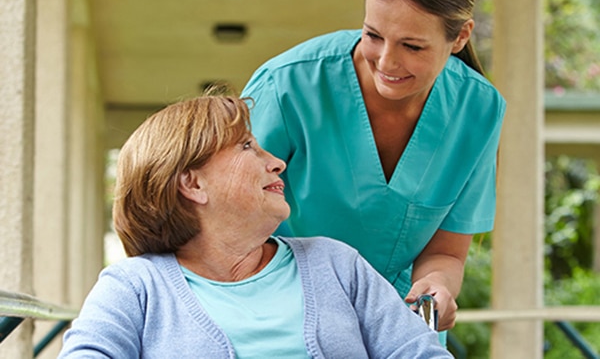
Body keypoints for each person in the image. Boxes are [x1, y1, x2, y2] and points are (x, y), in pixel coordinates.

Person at [57, 94, 452, 358]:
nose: (277, 161)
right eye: (247, 146)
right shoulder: (134, 286)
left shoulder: (336, 264)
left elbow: (420, 353)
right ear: (193, 183)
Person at [240, 0, 506, 344]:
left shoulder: (478, 110)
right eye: (373, 35)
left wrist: (437, 287)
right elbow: (226, 225)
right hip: (280, 314)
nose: (386, 61)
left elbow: (446, 254)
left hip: (398, 324)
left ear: (461, 37)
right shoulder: (287, 87)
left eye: (412, 46)